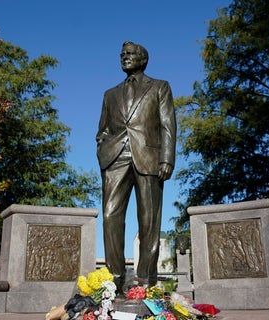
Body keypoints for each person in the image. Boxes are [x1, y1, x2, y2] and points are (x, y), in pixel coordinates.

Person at [96, 41, 176, 292]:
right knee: (110, 216)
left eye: (130, 54)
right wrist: (102, 146)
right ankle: (114, 279)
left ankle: (145, 279)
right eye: (122, 54)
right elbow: (103, 130)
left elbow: (168, 126)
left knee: (148, 220)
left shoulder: (160, 87)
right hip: (115, 158)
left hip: (149, 157)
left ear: (143, 59)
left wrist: (167, 159)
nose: (124, 58)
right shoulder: (110, 94)